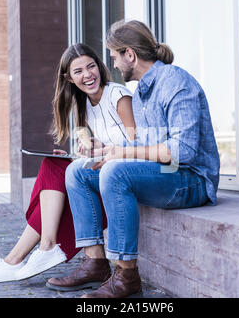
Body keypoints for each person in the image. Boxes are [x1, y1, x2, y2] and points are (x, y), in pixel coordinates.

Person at [46, 20, 220, 298]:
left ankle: (126, 276)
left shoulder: (176, 82)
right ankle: (95, 263)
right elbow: (144, 145)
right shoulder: (141, 92)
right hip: (165, 172)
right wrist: (107, 153)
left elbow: (182, 152)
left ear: (130, 54)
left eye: (114, 57)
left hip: (192, 180)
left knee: (116, 172)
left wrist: (122, 155)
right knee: (79, 171)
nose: (112, 65)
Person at [0, 43, 136, 284]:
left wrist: (102, 154)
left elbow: (136, 144)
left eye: (91, 66)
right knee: (53, 165)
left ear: (100, 67)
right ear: (68, 78)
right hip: (106, 167)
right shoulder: (87, 106)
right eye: (78, 71)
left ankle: (26, 254)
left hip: (125, 172)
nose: (87, 74)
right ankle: (29, 252)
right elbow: (107, 145)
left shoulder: (118, 96)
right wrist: (91, 150)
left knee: (62, 179)